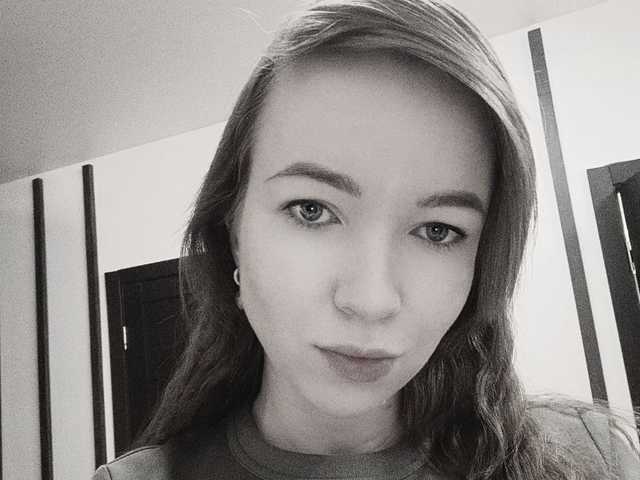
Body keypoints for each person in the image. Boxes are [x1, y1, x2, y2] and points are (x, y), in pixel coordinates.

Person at [93, 0, 640, 478]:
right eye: (312, 210)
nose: (371, 300)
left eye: (438, 230)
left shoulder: (591, 459)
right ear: (233, 234)